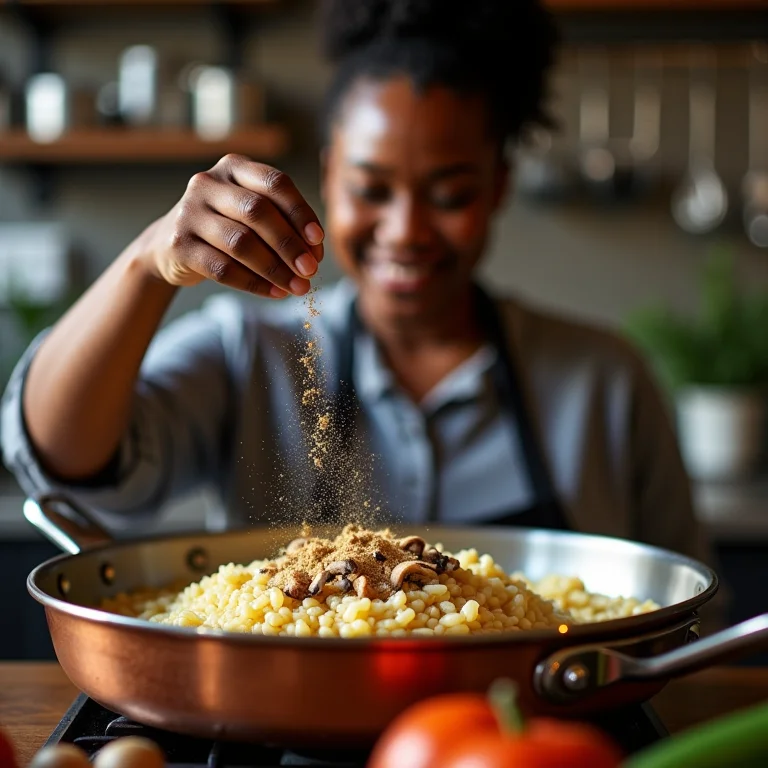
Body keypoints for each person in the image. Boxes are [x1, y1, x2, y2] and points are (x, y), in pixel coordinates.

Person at [1, 0, 711, 569]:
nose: (405, 230)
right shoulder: (246, 355)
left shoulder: (606, 383)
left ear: (498, 187)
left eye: (450, 193)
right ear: (329, 174)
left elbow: (681, 613)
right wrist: (147, 263)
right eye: (372, 187)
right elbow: (65, 463)